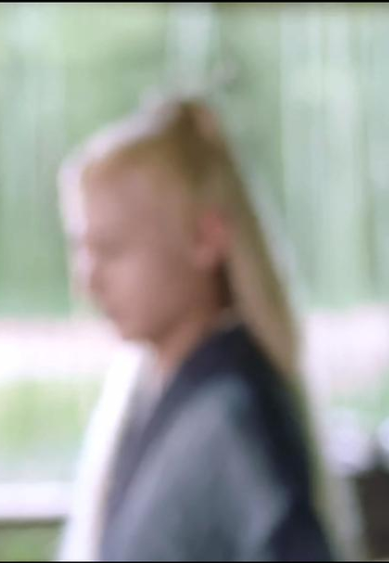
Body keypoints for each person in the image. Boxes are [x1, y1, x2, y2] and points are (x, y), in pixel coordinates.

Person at [56, 98, 335, 560]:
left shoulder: (235, 416)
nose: (88, 280)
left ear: (206, 237)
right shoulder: (156, 393)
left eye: (112, 249)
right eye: (81, 249)